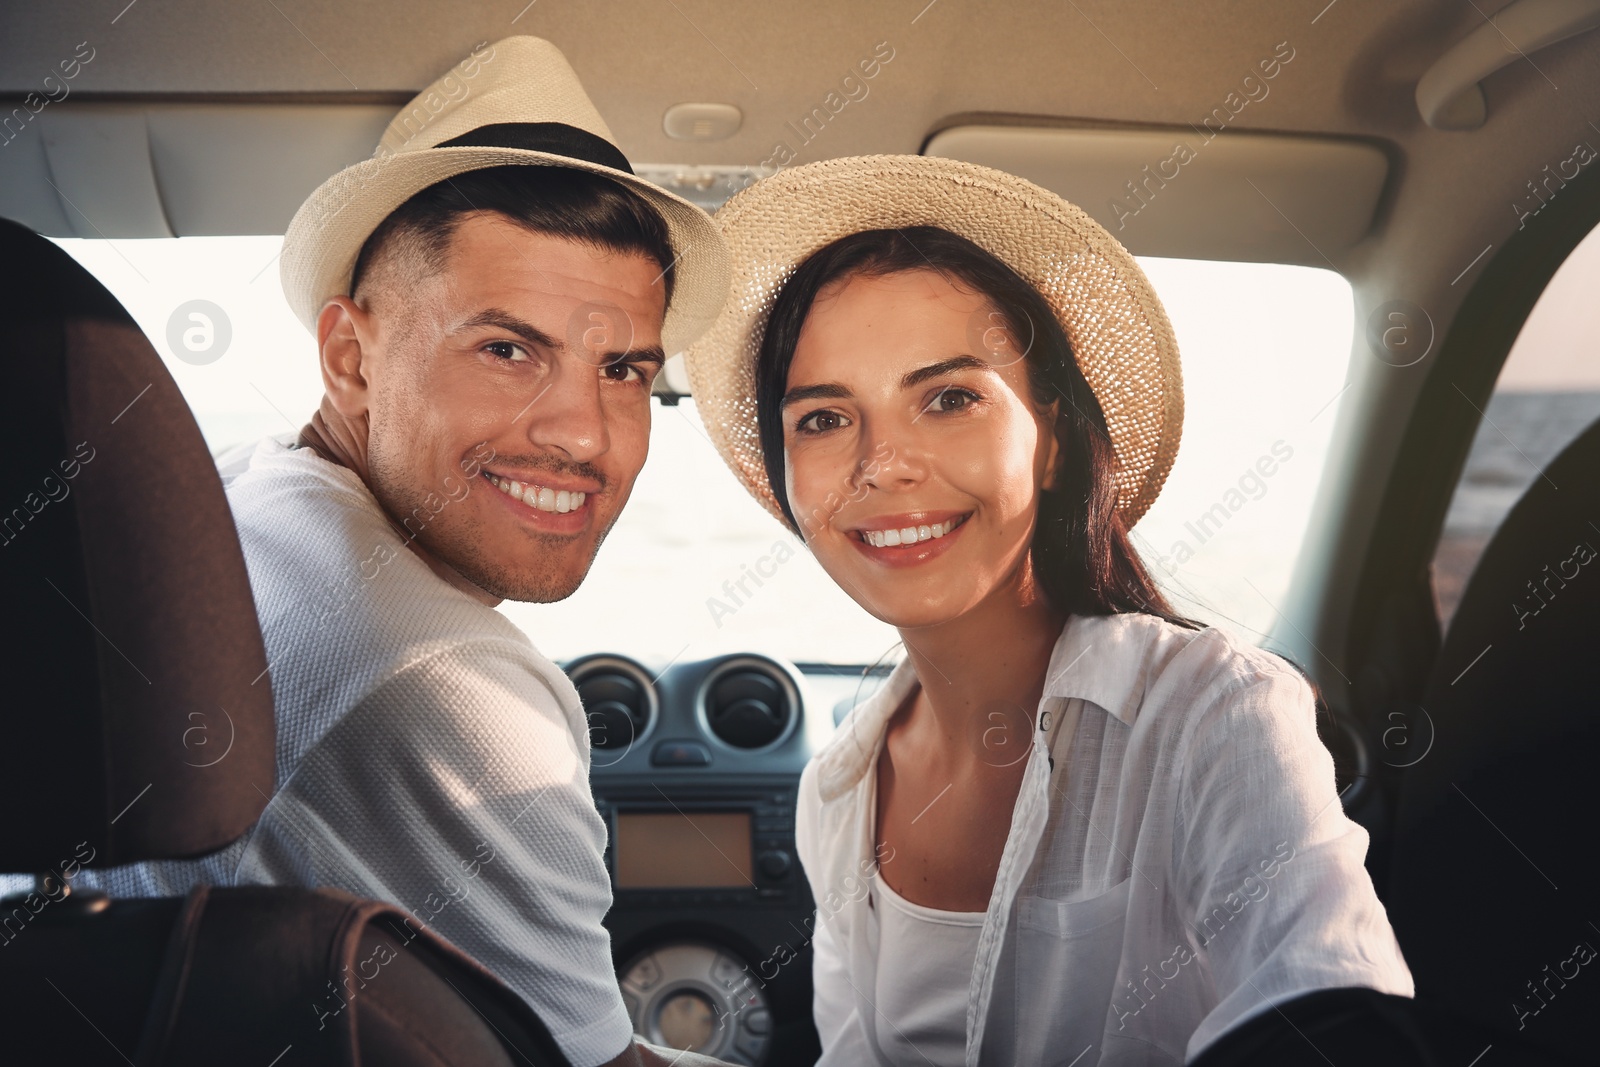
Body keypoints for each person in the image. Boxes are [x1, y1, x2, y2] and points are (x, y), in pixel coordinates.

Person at [55, 36, 734, 1067]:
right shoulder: (461, 688)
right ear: (349, 355)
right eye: (508, 349)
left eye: (624, 368)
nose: (584, 434)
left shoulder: (245, 491)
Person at [684, 156, 1413, 1065]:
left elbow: (1331, 1008)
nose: (884, 464)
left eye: (949, 399)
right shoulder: (834, 789)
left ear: (1056, 441)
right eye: (824, 419)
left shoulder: (1214, 716)